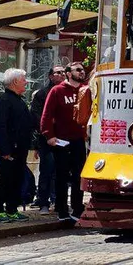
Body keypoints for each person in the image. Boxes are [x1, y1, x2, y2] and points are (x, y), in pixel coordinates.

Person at [40, 62, 88, 222]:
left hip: (79, 140)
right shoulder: (57, 91)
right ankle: (62, 210)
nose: (82, 72)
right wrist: (49, 136)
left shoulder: (85, 90)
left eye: (83, 70)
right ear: (68, 73)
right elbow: (46, 115)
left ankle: (77, 208)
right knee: (61, 176)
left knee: (78, 176)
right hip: (61, 141)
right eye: (78, 70)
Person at [0, 68, 33, 223]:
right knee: (5, 180)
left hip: (20, 149)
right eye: (23, 79)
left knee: (17, 179)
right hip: (10, 150)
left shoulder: (19, 100)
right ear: (15, 81)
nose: (26, 82)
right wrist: (5, 150)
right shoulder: (4, 101)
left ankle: (11, 209)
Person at [30, 65, 66, 214]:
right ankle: (43, 202)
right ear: (51, 76)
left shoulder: (68, 92)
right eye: (58, 72)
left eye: (63, 72)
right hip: (47, 139)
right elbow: (36, 117)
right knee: (46, 170)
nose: (62, 74)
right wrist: (47, 134)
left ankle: (59, 202)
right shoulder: (42, 94)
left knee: (62, 172)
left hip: (65, 139)